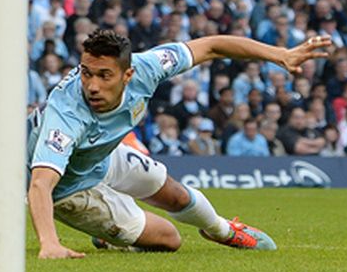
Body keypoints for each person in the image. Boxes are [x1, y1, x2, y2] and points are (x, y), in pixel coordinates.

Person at [27, 29, 330, 259]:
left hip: (99, 155)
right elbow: (40, 184)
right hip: (68, 186)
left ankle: (222, 231)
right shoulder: (66, 115)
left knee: (173, 191)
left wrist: (280, 54)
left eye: (104, 75)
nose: (92, 85)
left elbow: (211, 46)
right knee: (169, 239)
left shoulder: (148, 67)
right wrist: (50, 243)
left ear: (128, 74)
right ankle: (113, 234)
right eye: (87, 73)